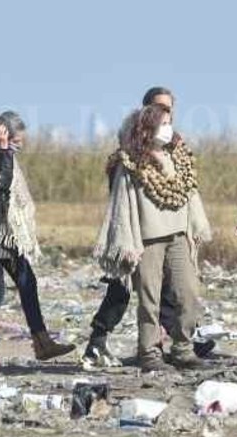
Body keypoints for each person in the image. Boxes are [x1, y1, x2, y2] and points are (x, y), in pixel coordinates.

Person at [83, 87, 215, 366]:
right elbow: (122, 205)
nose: (168, 128)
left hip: (179, 235)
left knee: (188, 294)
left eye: (170, 120)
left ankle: (183, 347)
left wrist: (195, 228)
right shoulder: (130, 161)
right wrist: (127, 242)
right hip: (147, 238)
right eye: (162, 122)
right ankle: (149, 352)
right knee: (147, 299)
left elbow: (189, 194)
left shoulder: (179, 157)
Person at [0, 111, 75, 363]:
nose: (19, 145)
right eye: (16, 140)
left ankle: (42, 342)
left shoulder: (3, 154)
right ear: (2, 134)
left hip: (6, 232)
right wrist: (3, 150)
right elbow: (2, 182)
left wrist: (5, 151)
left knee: (28, 282)